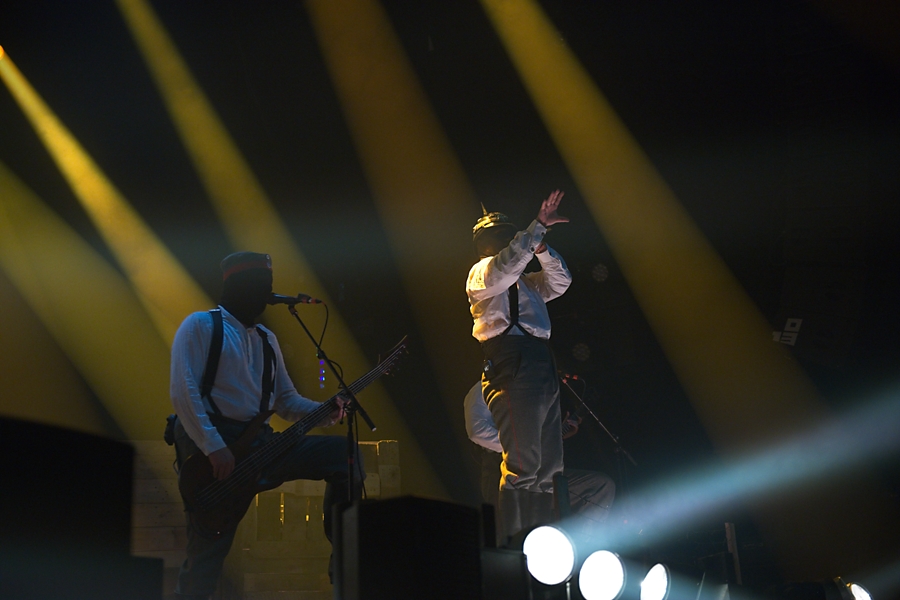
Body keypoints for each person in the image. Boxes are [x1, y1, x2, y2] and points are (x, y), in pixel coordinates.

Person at [169, 251, 359, 600]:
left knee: (343, 455)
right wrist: (214, 447)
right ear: (239, 286)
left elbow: (286, 401)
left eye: (268, 285)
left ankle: (346, 562)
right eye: (260, 285)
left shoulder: (266, 340)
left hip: (260, 444)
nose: (267, 294)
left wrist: (326, 411)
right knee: (208, 550)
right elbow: (183, 391)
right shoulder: (200, 326)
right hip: (215, 447)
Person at [465, 190, 572, 542]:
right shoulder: (482, 273)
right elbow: (506, 266)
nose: (510, 241)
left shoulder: (527, 283)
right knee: (523, 464)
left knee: (549, 468)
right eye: (504, 236)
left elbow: (560, 281)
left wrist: (541, 248)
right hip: (512, 360)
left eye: (511, 236)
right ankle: (516, 545)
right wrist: (536, 228)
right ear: (484, 243)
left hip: (540, 360)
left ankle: (545, 545)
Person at [464, 382, 615, 540]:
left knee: (601, 486)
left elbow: (537, 441)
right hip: (502, 472)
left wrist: (558, 436)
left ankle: (580, 547)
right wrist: (520, 448)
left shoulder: (532, 386)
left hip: (538, 473)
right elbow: (477, 431)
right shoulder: (483, 388)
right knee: (515, 537)